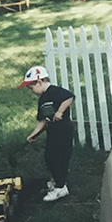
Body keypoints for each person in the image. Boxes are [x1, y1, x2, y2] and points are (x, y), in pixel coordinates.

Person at [18, 66, 75, 202]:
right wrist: (34, 133)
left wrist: (60, 111)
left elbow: (69, 97)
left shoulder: (54, 91)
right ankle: (57, 179)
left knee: (60, 158)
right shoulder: (42, 99)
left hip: (63, 131)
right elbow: (43, 120)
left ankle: (61, 188)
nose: (31, 91)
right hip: (53, 132)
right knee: (50, 157)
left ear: (39, 82)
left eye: (31, 88)